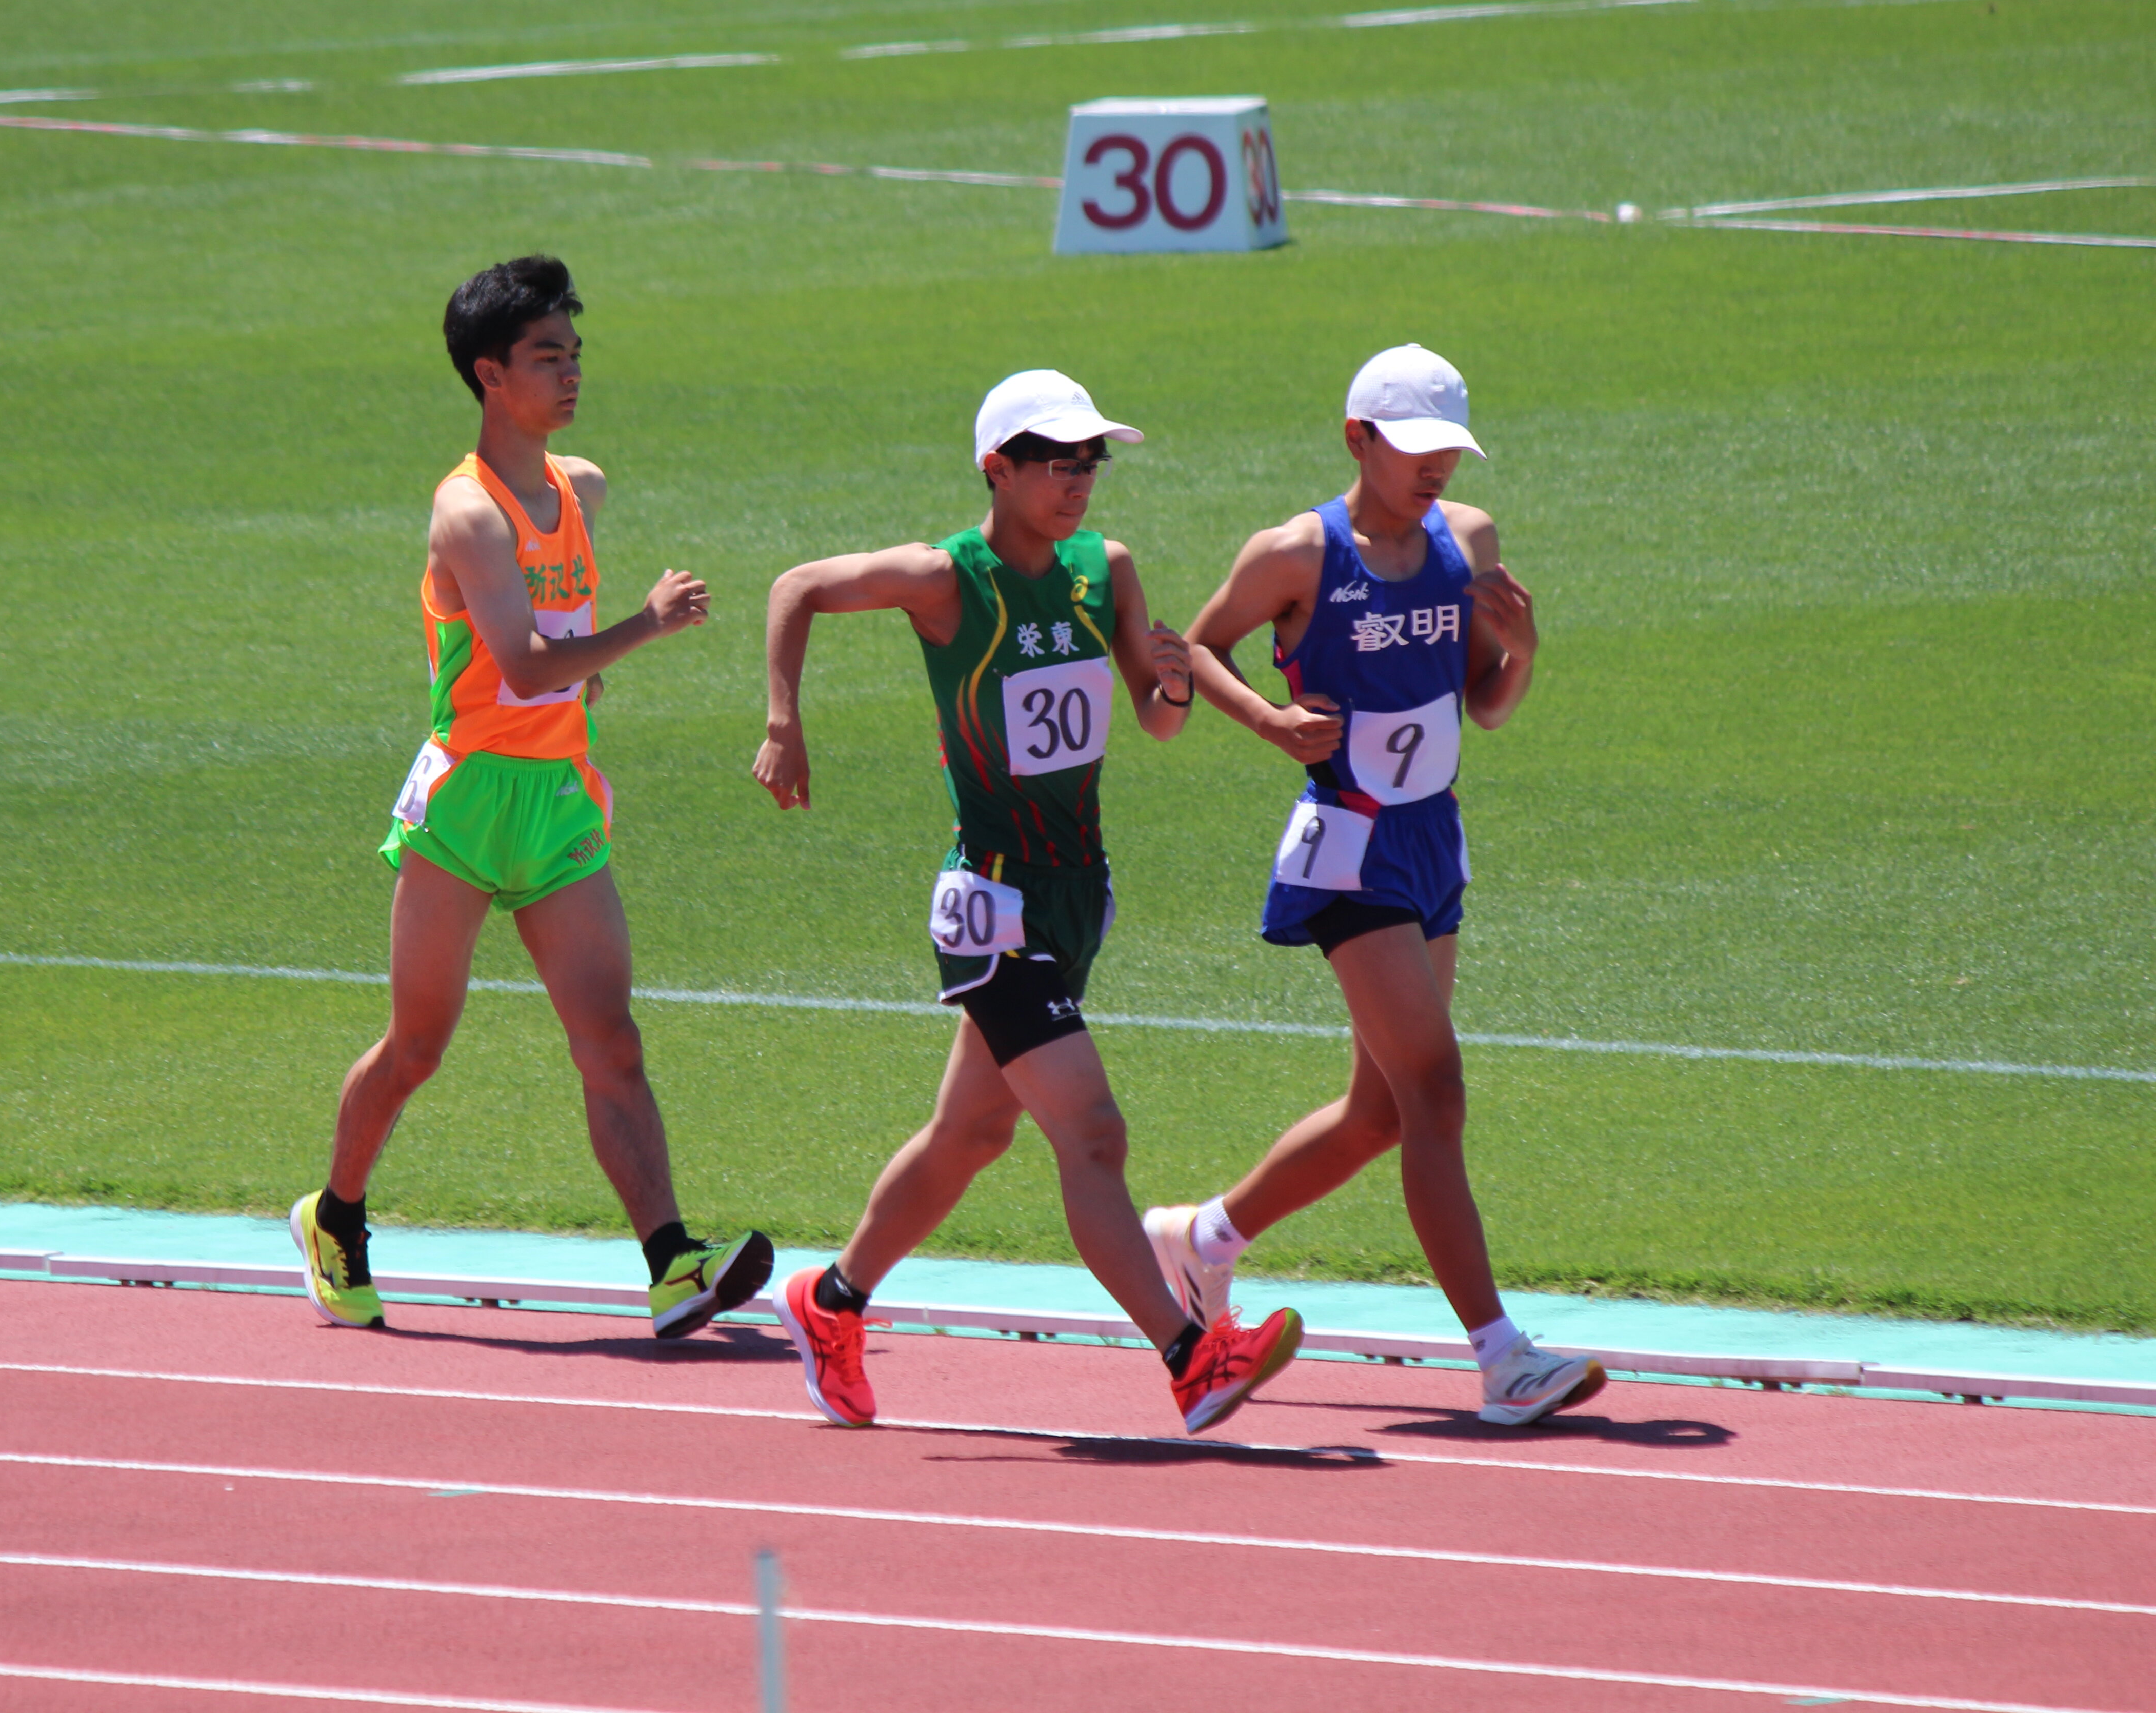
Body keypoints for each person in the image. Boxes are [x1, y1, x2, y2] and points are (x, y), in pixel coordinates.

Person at [753, 369, 1306, 1435]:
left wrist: (1174, 679)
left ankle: (830, 1303)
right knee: (1092, 1135)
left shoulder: (1109, 570)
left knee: (969, 1136)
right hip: (991, 904)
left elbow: (1158, 722)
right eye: (1060, 462)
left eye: (1093, 460)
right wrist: (785, 721)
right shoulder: (946, 580)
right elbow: (798, 587)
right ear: (996, 470)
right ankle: (1193, 1360)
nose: (1081, 482)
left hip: (1076, 898)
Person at [290, 255, 773, 1339]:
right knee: (419, 1044)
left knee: (611, 1040)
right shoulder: (469, 514)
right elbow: (516, 663)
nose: (570, 373)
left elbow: (554, 654)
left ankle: (671, 1264)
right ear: (488, 374)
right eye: (546, 357)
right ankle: (336, 1216)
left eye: (575, 353)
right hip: (466, 808)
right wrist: (642, 625)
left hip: (556, 796)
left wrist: (590, 665)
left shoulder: (579, 489)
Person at [1143, 343, 1605, 1426]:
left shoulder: (1469, 543)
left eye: (1449, 449)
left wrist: (1524, 655)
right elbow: (1196, 645)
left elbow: (1483, 705)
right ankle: (1502, 1359)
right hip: (1348, 849)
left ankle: (1201, 1239)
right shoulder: (1298, 554)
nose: (1434, 469)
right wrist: (1268, 722)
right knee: (1436, 1089)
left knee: (1380, 1112)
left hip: (1434, 841)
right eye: (1413, 450)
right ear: (1358, 439)